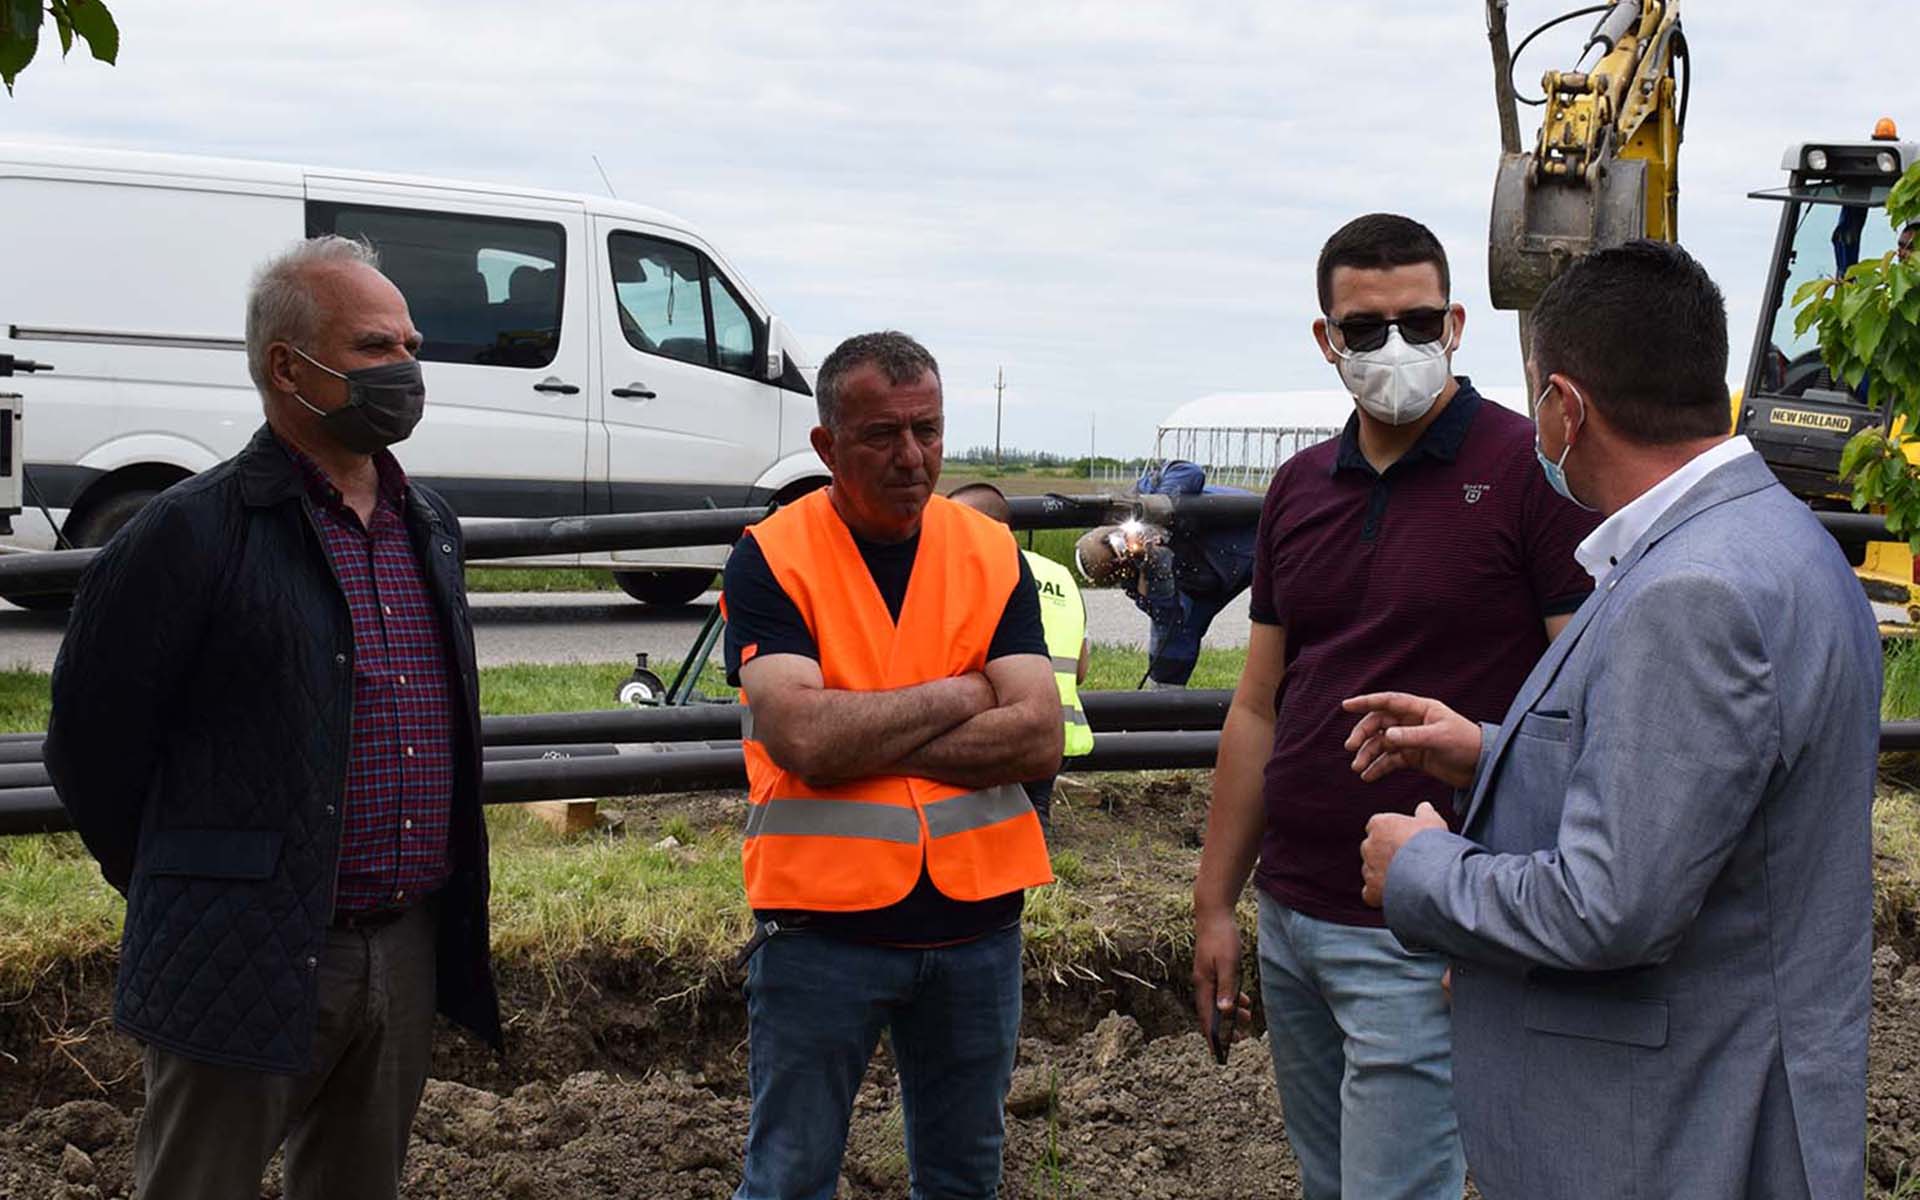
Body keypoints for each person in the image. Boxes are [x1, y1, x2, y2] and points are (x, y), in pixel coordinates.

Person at [1346, 240, 1880, 1199]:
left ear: (1566, 407)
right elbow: (1713, 794)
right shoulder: (1774, 536)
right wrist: (1494, 754)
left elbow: (1612, 907)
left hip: (1671, 1135)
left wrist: (1423, 870)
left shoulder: (1691, 592)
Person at [44, 236, 500, 1200]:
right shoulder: (187, 531)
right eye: (375, 346)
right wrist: (197, 883)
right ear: (288, 369)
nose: (406, 369)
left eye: (411, 345)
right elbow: (90, 746)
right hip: (238, 951)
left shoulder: (428, 525)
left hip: (404, 946)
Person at [1189, 213, 1600, 1200]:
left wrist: (1497, 919)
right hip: (1292, 914)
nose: (1394, 347)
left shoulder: (1529, 474)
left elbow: (1586, 712)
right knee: (1330, 1184)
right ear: (1326, 340)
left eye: (1417, 322)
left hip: (1423, 928)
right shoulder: (1298, 488)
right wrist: (1215, 902)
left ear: (1455, 324)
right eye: (1365, 329)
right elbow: (1259, 706)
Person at [720, 331, 1060, 1199]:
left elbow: (1037, 738)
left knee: (963, 1180)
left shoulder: (989, 551)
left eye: (929, 430)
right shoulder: (773, 556)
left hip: (978, 928)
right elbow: (805, 740)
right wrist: (964, 692)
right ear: (827, 445)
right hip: (821, 933)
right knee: (788, 1179)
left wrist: (860, 732)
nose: (913, 456)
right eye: (882, 435)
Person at [949, 479, 1092, 832]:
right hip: (1060, 736)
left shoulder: (978, 571)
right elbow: (1081, 668)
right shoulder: (1060, 575)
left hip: (998, 731)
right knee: (1030, 821)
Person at [1073, 460, 1254, 688]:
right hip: (1205, 584)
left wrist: (1156, 514)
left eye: (1118, 542)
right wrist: (1154, 570)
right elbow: (1168, 616)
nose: (1127, 547)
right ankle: (1165, 700)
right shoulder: (1134, 579)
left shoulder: (1138, 498)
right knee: (1170, 647)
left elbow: (1189, 472)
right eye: (1120, 557)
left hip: (1250, 534)